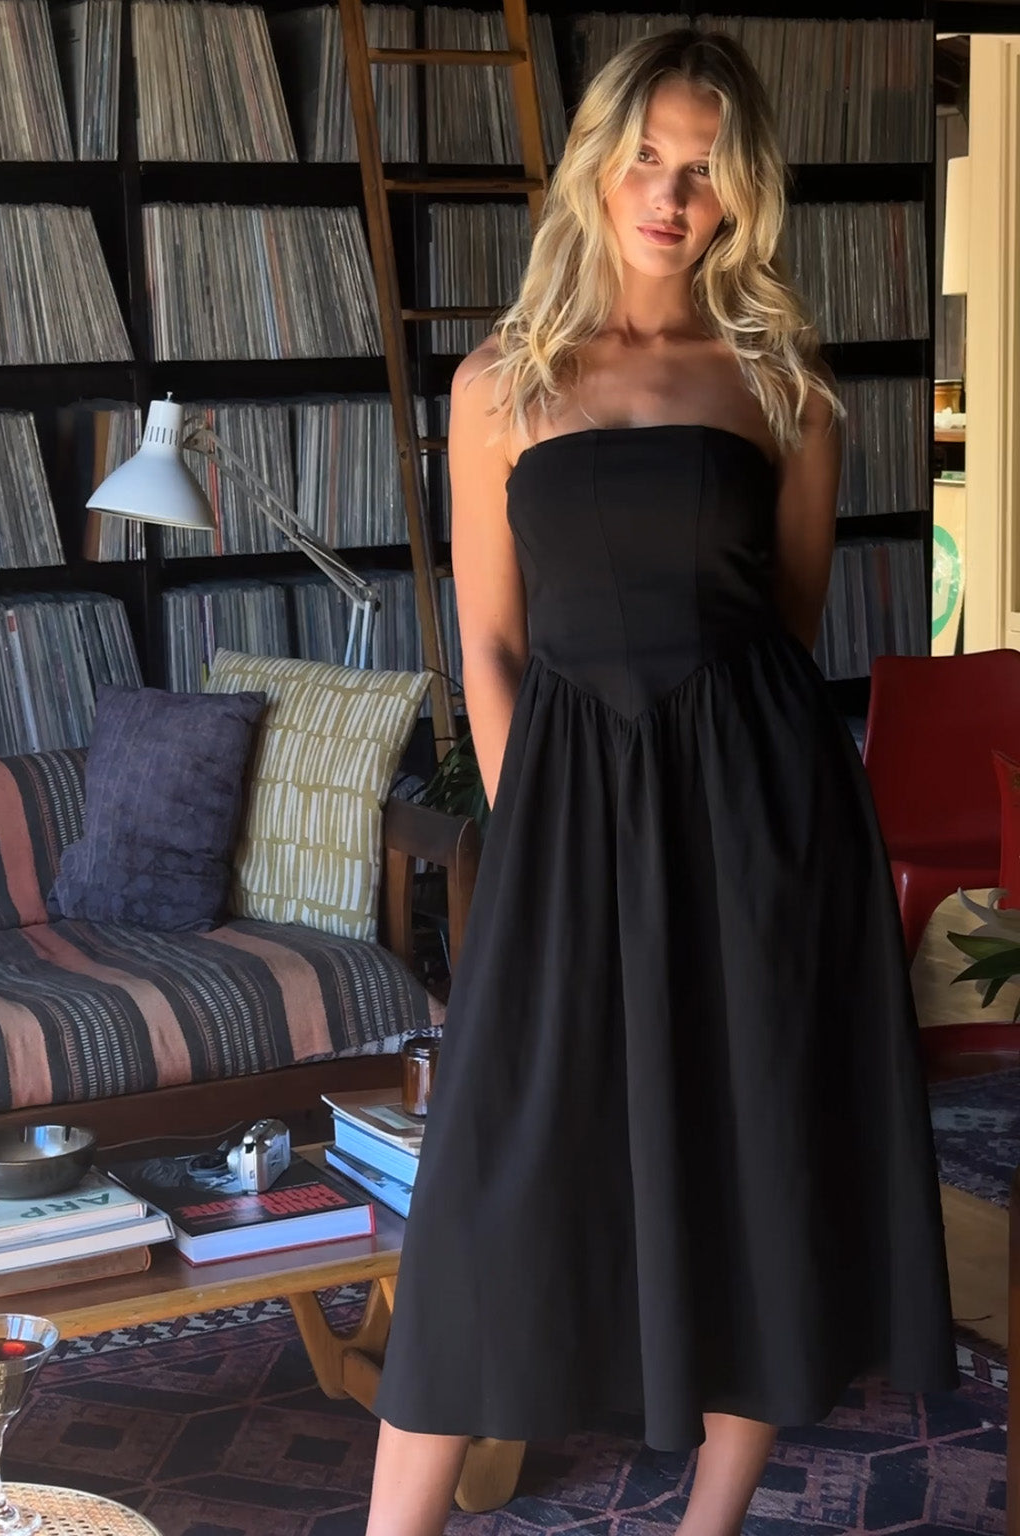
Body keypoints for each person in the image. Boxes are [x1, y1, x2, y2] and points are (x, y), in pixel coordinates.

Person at [365, 26, 960, 1536]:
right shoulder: (499, 382)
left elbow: (789, 628)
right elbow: (488, 642)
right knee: (490, 1188)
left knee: (753, 1159)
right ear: (596, 165)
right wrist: (543, 834)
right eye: (645, 157)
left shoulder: (786, 387)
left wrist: (733, 808)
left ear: (741, 191)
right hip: (564, 823)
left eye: (704, 168)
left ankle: (710, 1523)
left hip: (757, 823)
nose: (670, 195)